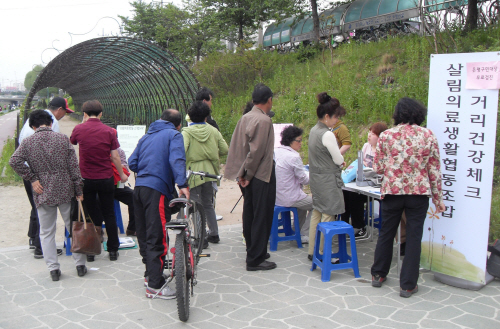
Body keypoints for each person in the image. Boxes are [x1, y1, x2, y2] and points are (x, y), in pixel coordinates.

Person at [370, 97, 445, 298]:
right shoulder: (428, 135)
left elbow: (377, 168)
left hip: (392, 192)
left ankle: (378, 274)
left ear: (398, 114)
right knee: (413, 237)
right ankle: (408, 285)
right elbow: (434, 170)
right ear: (419, 114)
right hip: (418, 193)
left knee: (386, 232)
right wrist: (438, 199)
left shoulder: (386, 136)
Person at [9, 110, 86, 281]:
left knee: (46, 232)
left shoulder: (28, 142)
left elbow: (14, 161)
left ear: (33, 126)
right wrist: (79, 190)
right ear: (51, 123)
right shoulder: (63, 139)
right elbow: (74, 167)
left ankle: (54, 269)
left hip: (42, 191)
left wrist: (32, 179)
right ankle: (80, 265)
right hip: (65, 189)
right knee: (73, 228)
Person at [128, 109, 190, 300]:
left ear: (160, 120)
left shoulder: (146, 137)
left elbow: (132, 163)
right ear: (178, 125)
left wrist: (149, 168)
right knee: (157, 236)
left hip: (138, 190)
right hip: (156, 191)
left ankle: (150, 275)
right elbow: (177, 159)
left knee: (145, 233)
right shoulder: (174, 134)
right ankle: (155, 286)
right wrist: (183, 184)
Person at [225, 83, 276, 271]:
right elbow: (257, 152)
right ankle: (255, 258)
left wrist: (241, 173)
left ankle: (254, 249)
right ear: (269, 100)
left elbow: (239, 147)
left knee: (251, 213)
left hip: (247, 173)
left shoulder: (246, 117)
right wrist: (248, 174)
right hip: (260, 174)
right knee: (261, 215)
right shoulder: (263, 121)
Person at [70, 100, 128, 262]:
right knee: (109, 212)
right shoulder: (109, 131)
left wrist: (83, 123)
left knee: (90, 213)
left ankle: (91, 249)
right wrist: (122, 175)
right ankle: (113, 250)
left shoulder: (79, 129)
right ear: (101, 113)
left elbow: (72, 142)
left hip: (86, 178)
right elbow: (115, 156)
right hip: (105, 178)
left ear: (85, 114)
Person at [18, 97, 73, 258]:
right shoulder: (50, 122)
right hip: (41, 174)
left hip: (29, 172)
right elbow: (53, 149)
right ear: (59, 110)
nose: (63, 115)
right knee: (45, 210)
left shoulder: (33, 118)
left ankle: (32, 238)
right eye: (64, 112)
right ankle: (40, 247)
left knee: (36, 205)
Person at [182, 101, 228, 244]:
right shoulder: (213, 131)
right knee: (208, 203)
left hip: (194, 173)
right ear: (206, 117)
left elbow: (181, 151)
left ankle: (201, 238)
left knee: (195, 205)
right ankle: (214, 233)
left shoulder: (186, 132)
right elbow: (225, 149)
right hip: (210, 173)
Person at [307, 92, 346, 260]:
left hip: (316, 178)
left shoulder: (313, 130)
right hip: (328, 181)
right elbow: (338, 158)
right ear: (327, 116)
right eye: (336, 117)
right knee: (328, 216)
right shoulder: (327, 134)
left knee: (317, 213)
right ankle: (323, 252)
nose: (337, 120)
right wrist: (342, 161)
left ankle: (312, 251)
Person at [341, 122, 388, 237]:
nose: (369, 135)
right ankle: (344, 224)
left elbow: (382, 169)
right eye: (369, 132)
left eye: (373, 133)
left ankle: (360, 226)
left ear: (380, 136)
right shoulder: (366, 146)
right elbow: (360, 162)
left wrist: (369, 167)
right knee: (346, 191)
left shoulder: (384, 150)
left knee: (355, 196)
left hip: (375, 184)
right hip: (363, 180)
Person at [274, 125, 312, 244]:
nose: (301, 143)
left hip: (276, 196)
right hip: (289, 197)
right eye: (299, 141)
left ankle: (297, 231)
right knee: (319, 204)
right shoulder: (294, 156)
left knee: (303, 204)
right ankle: (305, 233)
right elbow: (304, 180)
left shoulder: (276, 151)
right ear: (290, 141)